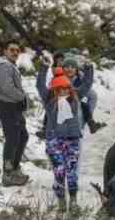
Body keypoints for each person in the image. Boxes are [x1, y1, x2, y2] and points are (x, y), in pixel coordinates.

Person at [36, 66, 90, 212]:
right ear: (55, 89)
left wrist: (88, 69)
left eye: (66, 88)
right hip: (54, 141)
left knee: (72, 172)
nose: (63, 91)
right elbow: (40, 85)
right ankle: (61, 201)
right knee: (59, 172)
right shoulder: (49, 100)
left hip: (72, 140)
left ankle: (73, 201)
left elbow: (87, 85)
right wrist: (43, 69)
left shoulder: (75, 97)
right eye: (60, 89)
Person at [0, 43, 30, 187]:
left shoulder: (10, 66)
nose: (15, 52)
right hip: (7, 107)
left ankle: (14, 168)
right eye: (11, 50)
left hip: (14, 108)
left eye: (17, 50)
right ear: (5, 51)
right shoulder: (4, 66)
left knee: (22, 137)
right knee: (13, 138)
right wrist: (22, 97)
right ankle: (8, 174)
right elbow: (7, 87)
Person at [62, 55, 106, 134]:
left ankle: (90, 122)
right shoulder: (59, 78)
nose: (69, 69)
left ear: (76, 69)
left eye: (72, 67)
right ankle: (45, 128)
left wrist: (88, 68)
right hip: (62, 101)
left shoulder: (79, 76)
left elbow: (87, 83)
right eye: (67, 67)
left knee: (85, 104)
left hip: (76, 98)